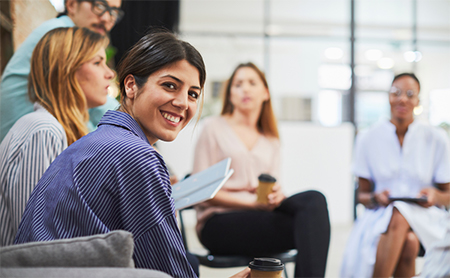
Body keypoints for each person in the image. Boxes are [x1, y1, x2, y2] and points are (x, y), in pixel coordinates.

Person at [14, 30, 250, 278]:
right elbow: (167, 266)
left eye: (192, 94)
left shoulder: (92, 142)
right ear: (130, 86)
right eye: (170, 86)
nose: (182, 102)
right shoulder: (137, 154)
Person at [192, 62, 331, 278]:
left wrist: (275, 196)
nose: (245, 89)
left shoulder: (270, 139)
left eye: (252, 83)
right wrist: (251, 202)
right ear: (230, 95)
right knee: (307, 227)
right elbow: (201, 192)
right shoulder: (213, 128)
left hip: (260, 217)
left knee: (314, 201)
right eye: (238, 85)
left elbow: (267, 190)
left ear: (265, 93)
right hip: (219, 224)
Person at [0, 27, 114, 247]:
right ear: (67, 69)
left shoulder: (58, 129)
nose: (109, 73)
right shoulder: (43, 130)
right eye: (97, 62)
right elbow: (36, 239)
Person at [340, 73, 450, 278]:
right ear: (388, 97)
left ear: (418, 100)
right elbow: (362, 195)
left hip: (427, 216)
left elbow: (448, 194)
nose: (402, 99)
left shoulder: (436, 138)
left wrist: (435, 196)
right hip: (381, 214)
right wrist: (375, 197)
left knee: (399, 213)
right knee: (408, 241)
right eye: (396, 93)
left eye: (410, 94)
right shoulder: (368, 137)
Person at [0, 0, 123, 141]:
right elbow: (102, 109)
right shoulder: (60, 36)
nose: (106, 18)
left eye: (114, 12)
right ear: (71, 5)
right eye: (99, 6)